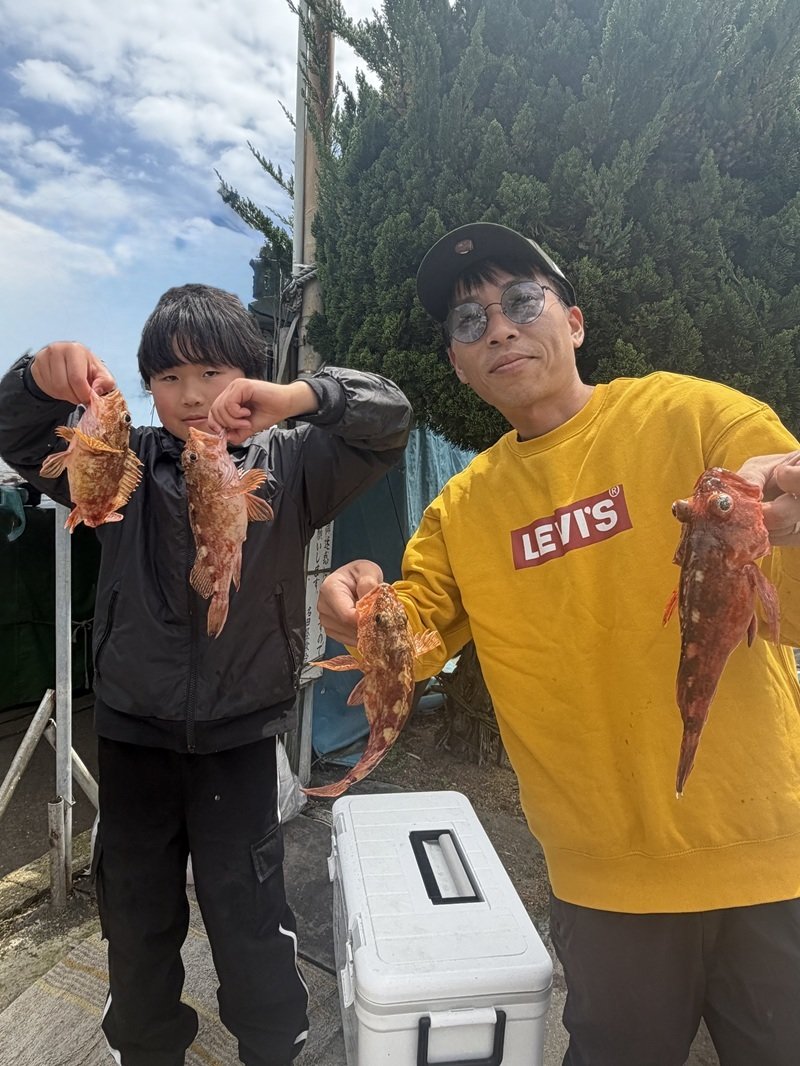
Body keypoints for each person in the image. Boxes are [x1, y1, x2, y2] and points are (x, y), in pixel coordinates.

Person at [316, 222, 800, 1066]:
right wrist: (363, 606)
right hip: (604, 880)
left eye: (522, 301)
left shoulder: (695, 414)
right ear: (458, 363)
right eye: (470, 322)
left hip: (775, 852)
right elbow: (413, 631)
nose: (499, 329)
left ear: (573, 322)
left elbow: (773, 498)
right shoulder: (462, 510)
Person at [0, 283, 412, 1066]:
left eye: (213, 373)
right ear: (146, 387)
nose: (191, 396)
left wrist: (299, 397)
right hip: (133, 737)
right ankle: (145, 1046)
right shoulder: (118, 460)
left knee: (248, 910)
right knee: (134, 911)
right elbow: (15, 434)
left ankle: (273, 1045)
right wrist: (34, 379)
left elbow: (388, 419)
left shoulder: (292, 463)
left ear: (249, 378)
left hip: (241, 738)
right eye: (169, 377)